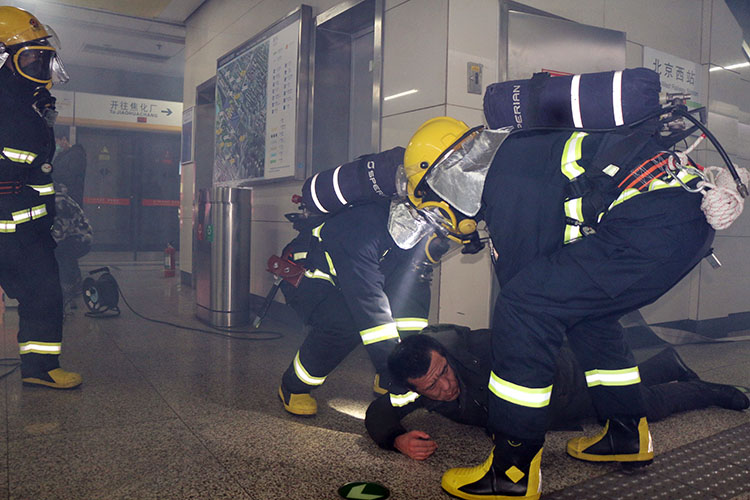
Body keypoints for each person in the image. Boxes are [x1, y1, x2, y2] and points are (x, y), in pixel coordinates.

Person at [393, 115, 719, 499]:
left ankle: (511, 470)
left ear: (446, 175)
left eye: (435, 199)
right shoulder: (518, 157)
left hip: (650, 225)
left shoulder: (505, 177)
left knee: (521, 309)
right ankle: (626, 433)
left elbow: (523, 286)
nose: (442, 214)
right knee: (587, 318)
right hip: (677, 223)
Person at [366, 327, 749, 461]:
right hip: (550, 396)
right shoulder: (412, 389)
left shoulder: (481, 349)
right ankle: (668, 364)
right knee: (622, 388)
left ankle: (707, 390)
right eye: (432, 385)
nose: (445, 386)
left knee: (640, 407)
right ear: (414, 388)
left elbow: (539, 362)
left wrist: (506, 425)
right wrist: (396, 439)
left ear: (446, 355)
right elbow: (378, 413)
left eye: (444, 372)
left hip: (563, 384)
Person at [277, 148, 454, 417]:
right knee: (345, 320)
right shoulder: (361, 230)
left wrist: (409, 367)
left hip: (357, 275)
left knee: (413, 290)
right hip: (310, 275)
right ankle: (293, 385)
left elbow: (406, 293)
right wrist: (399, 374)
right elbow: (369, 309)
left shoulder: (409, 220)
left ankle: (388, 378)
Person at [0, 6, 82, 389]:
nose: (40, 65)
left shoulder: (31, 103)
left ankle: (40, 367)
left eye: (43, 57)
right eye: (30, 57)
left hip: (28, 226)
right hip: (7, 223)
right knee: (43, 291)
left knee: (45, 294)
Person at [52, 182, 93, 309]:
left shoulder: (58, 203)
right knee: (64, 255)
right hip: (82, 239)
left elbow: (59, 233)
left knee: (60, 256)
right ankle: (75, 281)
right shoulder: (63, 199)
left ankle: (67, 294)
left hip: (76, 239)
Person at [53, 134, 87, 207]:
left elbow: (72, 175)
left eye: (56, 142)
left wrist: (59, 177)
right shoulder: (60, 156)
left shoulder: (76, 154)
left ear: (64, 140)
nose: (56, 145)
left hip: (71, 195)